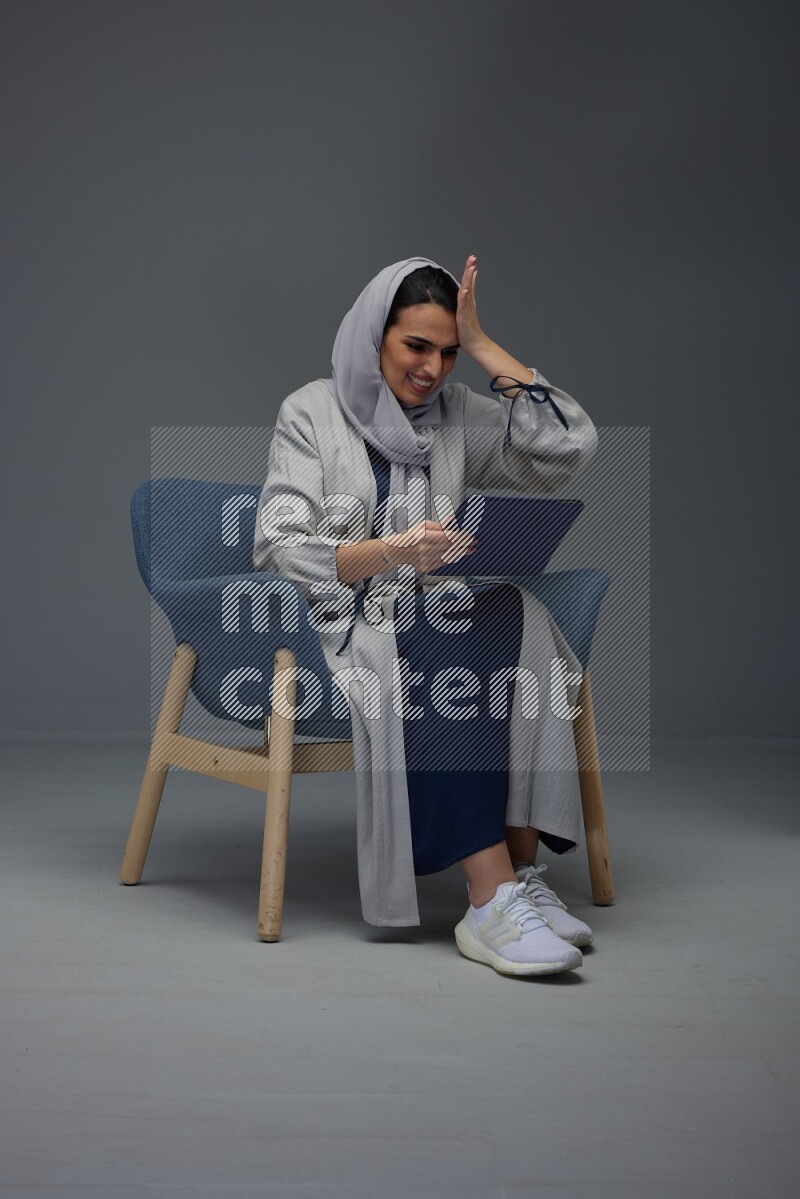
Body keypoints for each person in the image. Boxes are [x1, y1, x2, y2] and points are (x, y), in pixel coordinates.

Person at [253, 254, 598, 977]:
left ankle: (523, 871)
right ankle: (489, 897)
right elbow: (280, 548)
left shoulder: (454, 415)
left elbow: (569, 447)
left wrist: (482, 343)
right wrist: (390, 552)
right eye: (417, 345)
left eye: (447, 351)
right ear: (374, 335)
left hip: (427, 612)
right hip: (340, 632)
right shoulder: (309, 413)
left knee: (516, 614)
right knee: (433, 647)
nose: (433, 368)